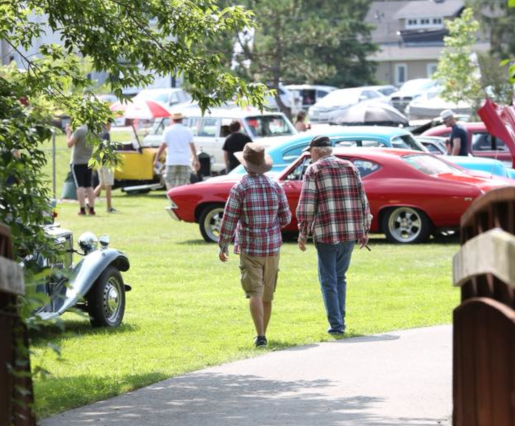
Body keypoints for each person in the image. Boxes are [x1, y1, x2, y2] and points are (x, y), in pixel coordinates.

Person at [218, 143, 292, 348]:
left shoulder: (240, 188)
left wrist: (223, 244)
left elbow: (229, 219)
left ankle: (260, 335)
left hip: (250, 247)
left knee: (255, 293)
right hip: (273, 247)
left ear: (245, 165)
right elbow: (286, 217)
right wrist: (271, 227)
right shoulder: (276, 186)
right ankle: (263, 333)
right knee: (268, 294)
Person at [296, 135, 371, 335]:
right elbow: (362, 199)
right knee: (340, 278)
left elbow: (307, 205)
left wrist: (303, 232)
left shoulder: (314, 170)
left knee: (328, 280)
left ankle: (337, 326)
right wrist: (364, 229)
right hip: (349, 232)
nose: (310, 156)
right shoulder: (350, 167)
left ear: (318, 151)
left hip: (326, 232)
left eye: (310, 151)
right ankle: (340, 321)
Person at [154, 112, 200, 189]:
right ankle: (181, 200)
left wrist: (156, 159)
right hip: (184, 161)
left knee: (170, 182)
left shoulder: (168, 130)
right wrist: (196, 160)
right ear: (182, 120)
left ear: (172, 120)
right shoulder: (187, 130)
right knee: (184, 183)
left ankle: (172, 199)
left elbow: (162, 146)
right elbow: (192, 146)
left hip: (172, 161)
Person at [66, 122, 96, 216]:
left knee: (80, 186)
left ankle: (82, 209)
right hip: (88, 160)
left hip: (78, 162)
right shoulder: (93, 130)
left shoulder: (79, 131)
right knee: (89, 186)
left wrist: (68, 133)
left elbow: (69, 144)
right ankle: (91, 208)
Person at [93, 120, 118, 213]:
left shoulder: (99, 133)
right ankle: (109, 207)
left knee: (102, 184)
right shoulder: (106, 134)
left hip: (100, 162)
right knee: (108, 185)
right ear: (107, 124)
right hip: (106, 162)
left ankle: (89, 202)